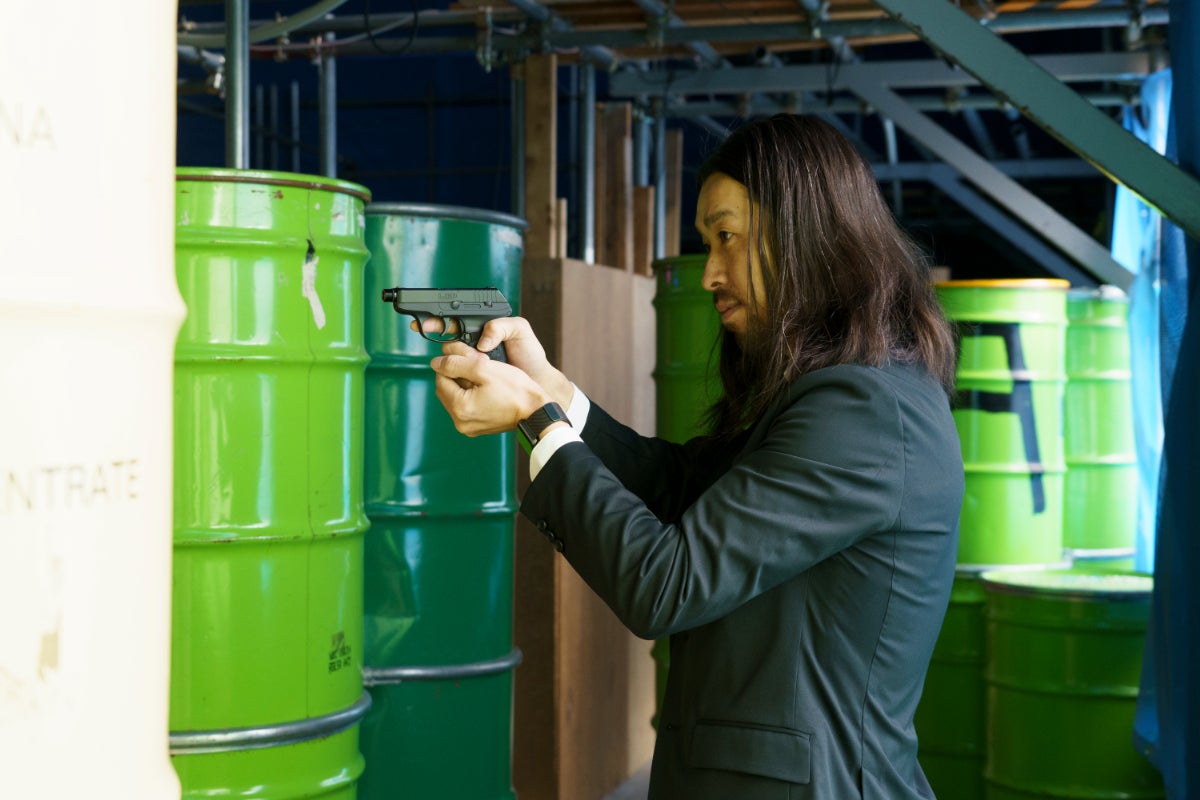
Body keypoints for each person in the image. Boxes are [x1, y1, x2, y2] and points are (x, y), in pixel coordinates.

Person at [427, 113, 964, 799]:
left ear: (804, 233)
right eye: (707, 244)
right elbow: (687, 489)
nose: (709, 273)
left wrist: (536, 420)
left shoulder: (866, 413)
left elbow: (666, 582)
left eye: (727, 237)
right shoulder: (850, 390)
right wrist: (554, 393)